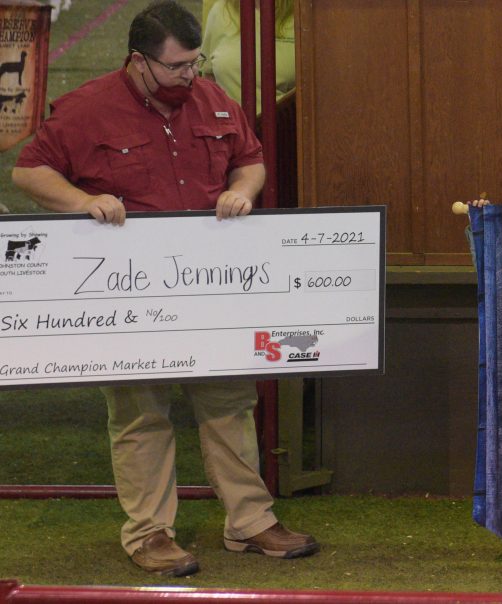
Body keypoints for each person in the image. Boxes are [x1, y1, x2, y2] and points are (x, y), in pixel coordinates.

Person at [11, 0, 318, 577]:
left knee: (230, 404)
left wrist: (242, 190)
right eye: (176, 67)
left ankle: (250, 522)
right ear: (139, 61)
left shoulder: (212, 98)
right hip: (128, 294)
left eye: (194, 63)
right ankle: (149, 533)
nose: (189, 76)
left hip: (208, 288)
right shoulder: (87, 109)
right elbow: (29, 170)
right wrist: (83, 201)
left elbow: (250, 159)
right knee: (139, 413)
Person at [200, 0, 294, 108]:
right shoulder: (221, 10)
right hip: (232, 117)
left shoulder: (302, 14)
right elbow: (208, 78)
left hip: (287, 117)